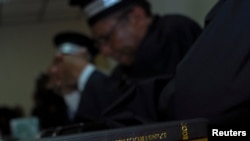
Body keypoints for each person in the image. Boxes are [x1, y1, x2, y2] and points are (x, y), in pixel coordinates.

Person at [70, 0, 202, 91]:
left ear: (137, 18)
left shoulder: (173, 31)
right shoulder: (122, 70)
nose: (104, 51)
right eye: (99, 42)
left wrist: (88, 76)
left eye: (106, 38)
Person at [47, 32, 119, 124]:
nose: (54, 70)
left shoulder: (103, 86)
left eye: (59, 62)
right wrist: (68, 91)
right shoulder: (79, 90)